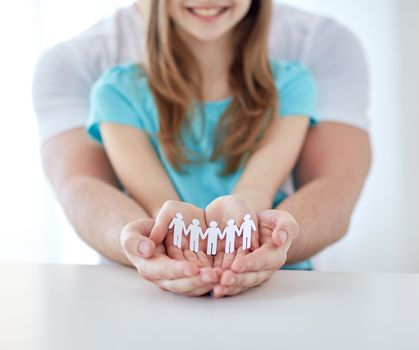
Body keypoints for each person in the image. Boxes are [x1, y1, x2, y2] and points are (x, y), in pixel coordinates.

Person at [32, 0, 371, 298]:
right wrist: (166, 240)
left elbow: (258, 188)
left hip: (278, 291)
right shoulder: (115, 91)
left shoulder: (293, 83)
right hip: (153, 294)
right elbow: (153, 201)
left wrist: (248, 230)